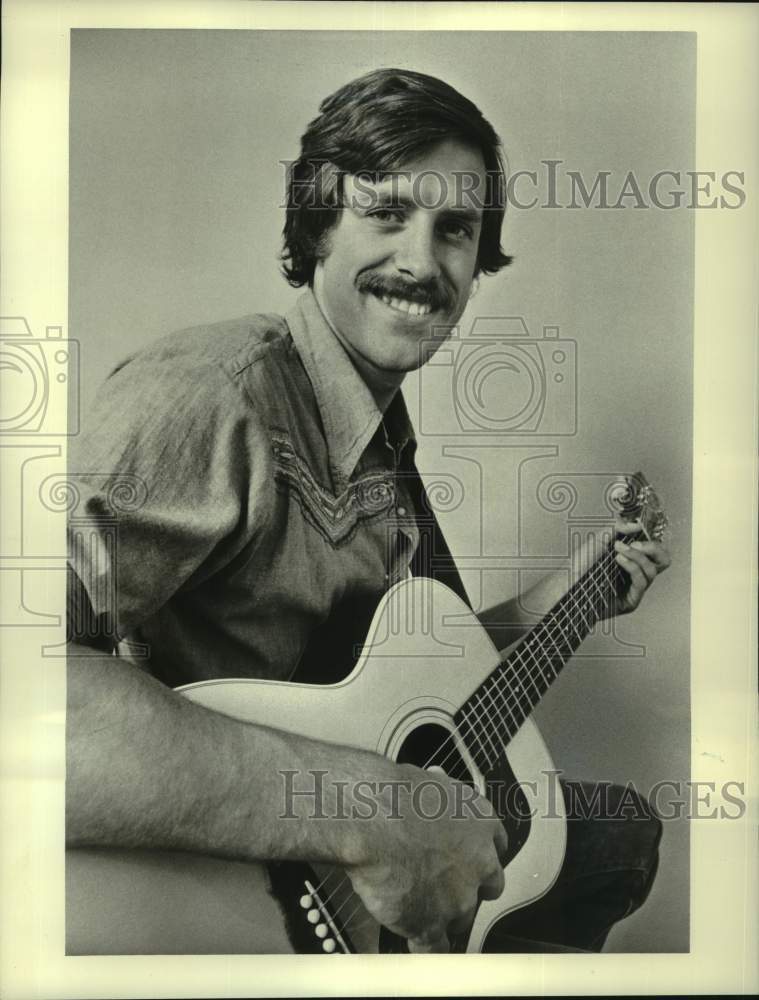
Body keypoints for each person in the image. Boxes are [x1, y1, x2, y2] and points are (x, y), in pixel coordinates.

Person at [66, 67, 670, 954]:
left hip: (351, 873)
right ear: (317, 224)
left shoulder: (383, 440)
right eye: (386, 212)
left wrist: (572, 597)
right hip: (244, 889)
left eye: (454, 230)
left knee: (620, 832)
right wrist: (371, 811)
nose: (422, 264)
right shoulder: (211, 393)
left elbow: (420, 688)